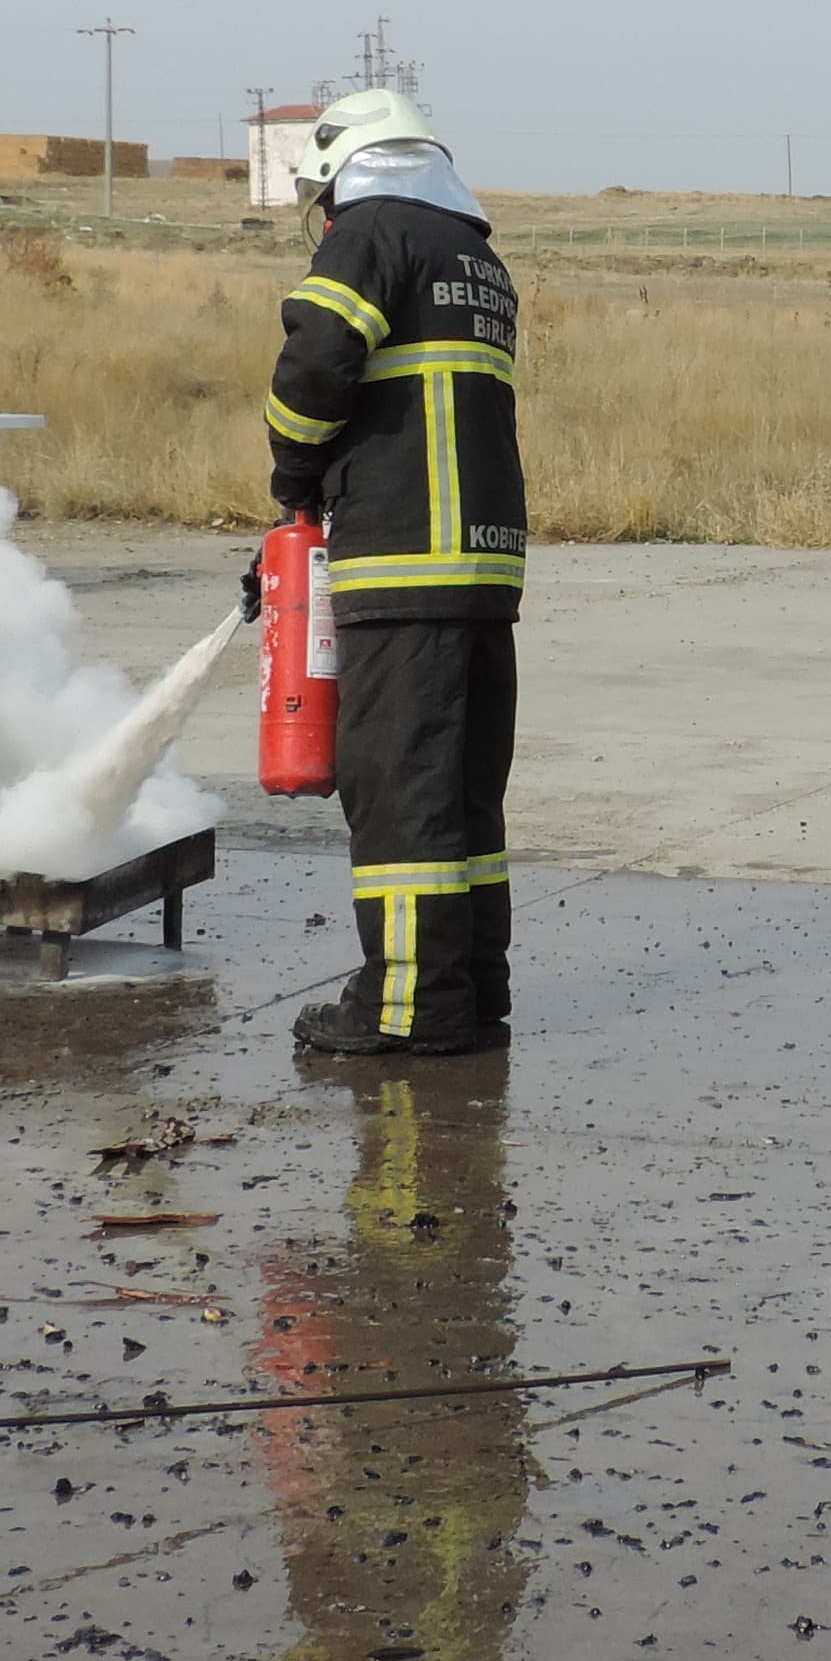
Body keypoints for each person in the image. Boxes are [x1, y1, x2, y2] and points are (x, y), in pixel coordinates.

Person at [261, 88, 526, 1057]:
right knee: (461, 794)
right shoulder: (475, 255)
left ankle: (406, 1008)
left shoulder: (372, 232)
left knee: (397, 786)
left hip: (403, 553)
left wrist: (293, 472)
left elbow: (318, 359)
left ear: (348, 171)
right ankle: (469, 995)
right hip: (483, 565)